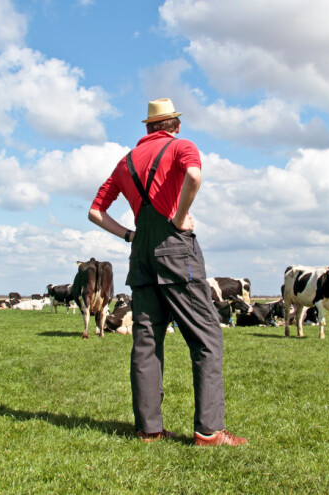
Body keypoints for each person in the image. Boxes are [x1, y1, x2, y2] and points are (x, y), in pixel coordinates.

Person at [88, 98, 247, 446]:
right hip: (177, 251)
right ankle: (209, 430)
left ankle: (149, 430)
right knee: (207, 338)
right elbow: (194, 174)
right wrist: (178, 217)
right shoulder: (182, 147)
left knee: (146, 341)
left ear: (148, 128)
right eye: (177, 123)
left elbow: (95, 211)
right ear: (172, 126)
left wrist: (129, 234)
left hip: (140, 254)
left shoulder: (125, 162)